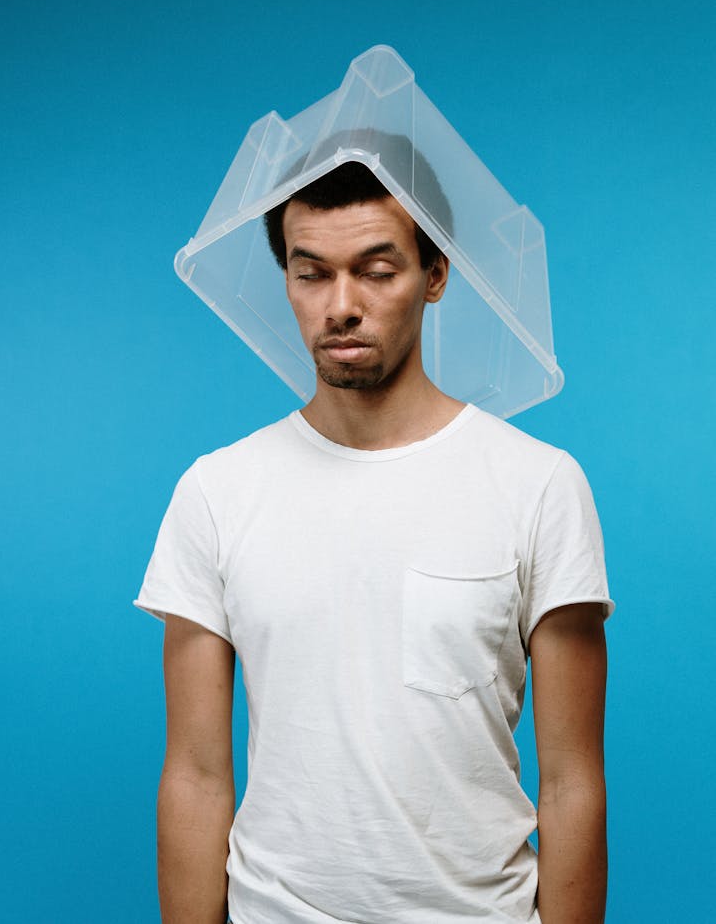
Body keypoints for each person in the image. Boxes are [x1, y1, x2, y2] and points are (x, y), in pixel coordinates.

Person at [135, 160, 613, 924]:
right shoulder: (216, 493)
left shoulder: (539, 485)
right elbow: (194, 774)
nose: (341, 305)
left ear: (436, 273)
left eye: (377, 270)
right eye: (311, 272)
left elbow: (572, 781)